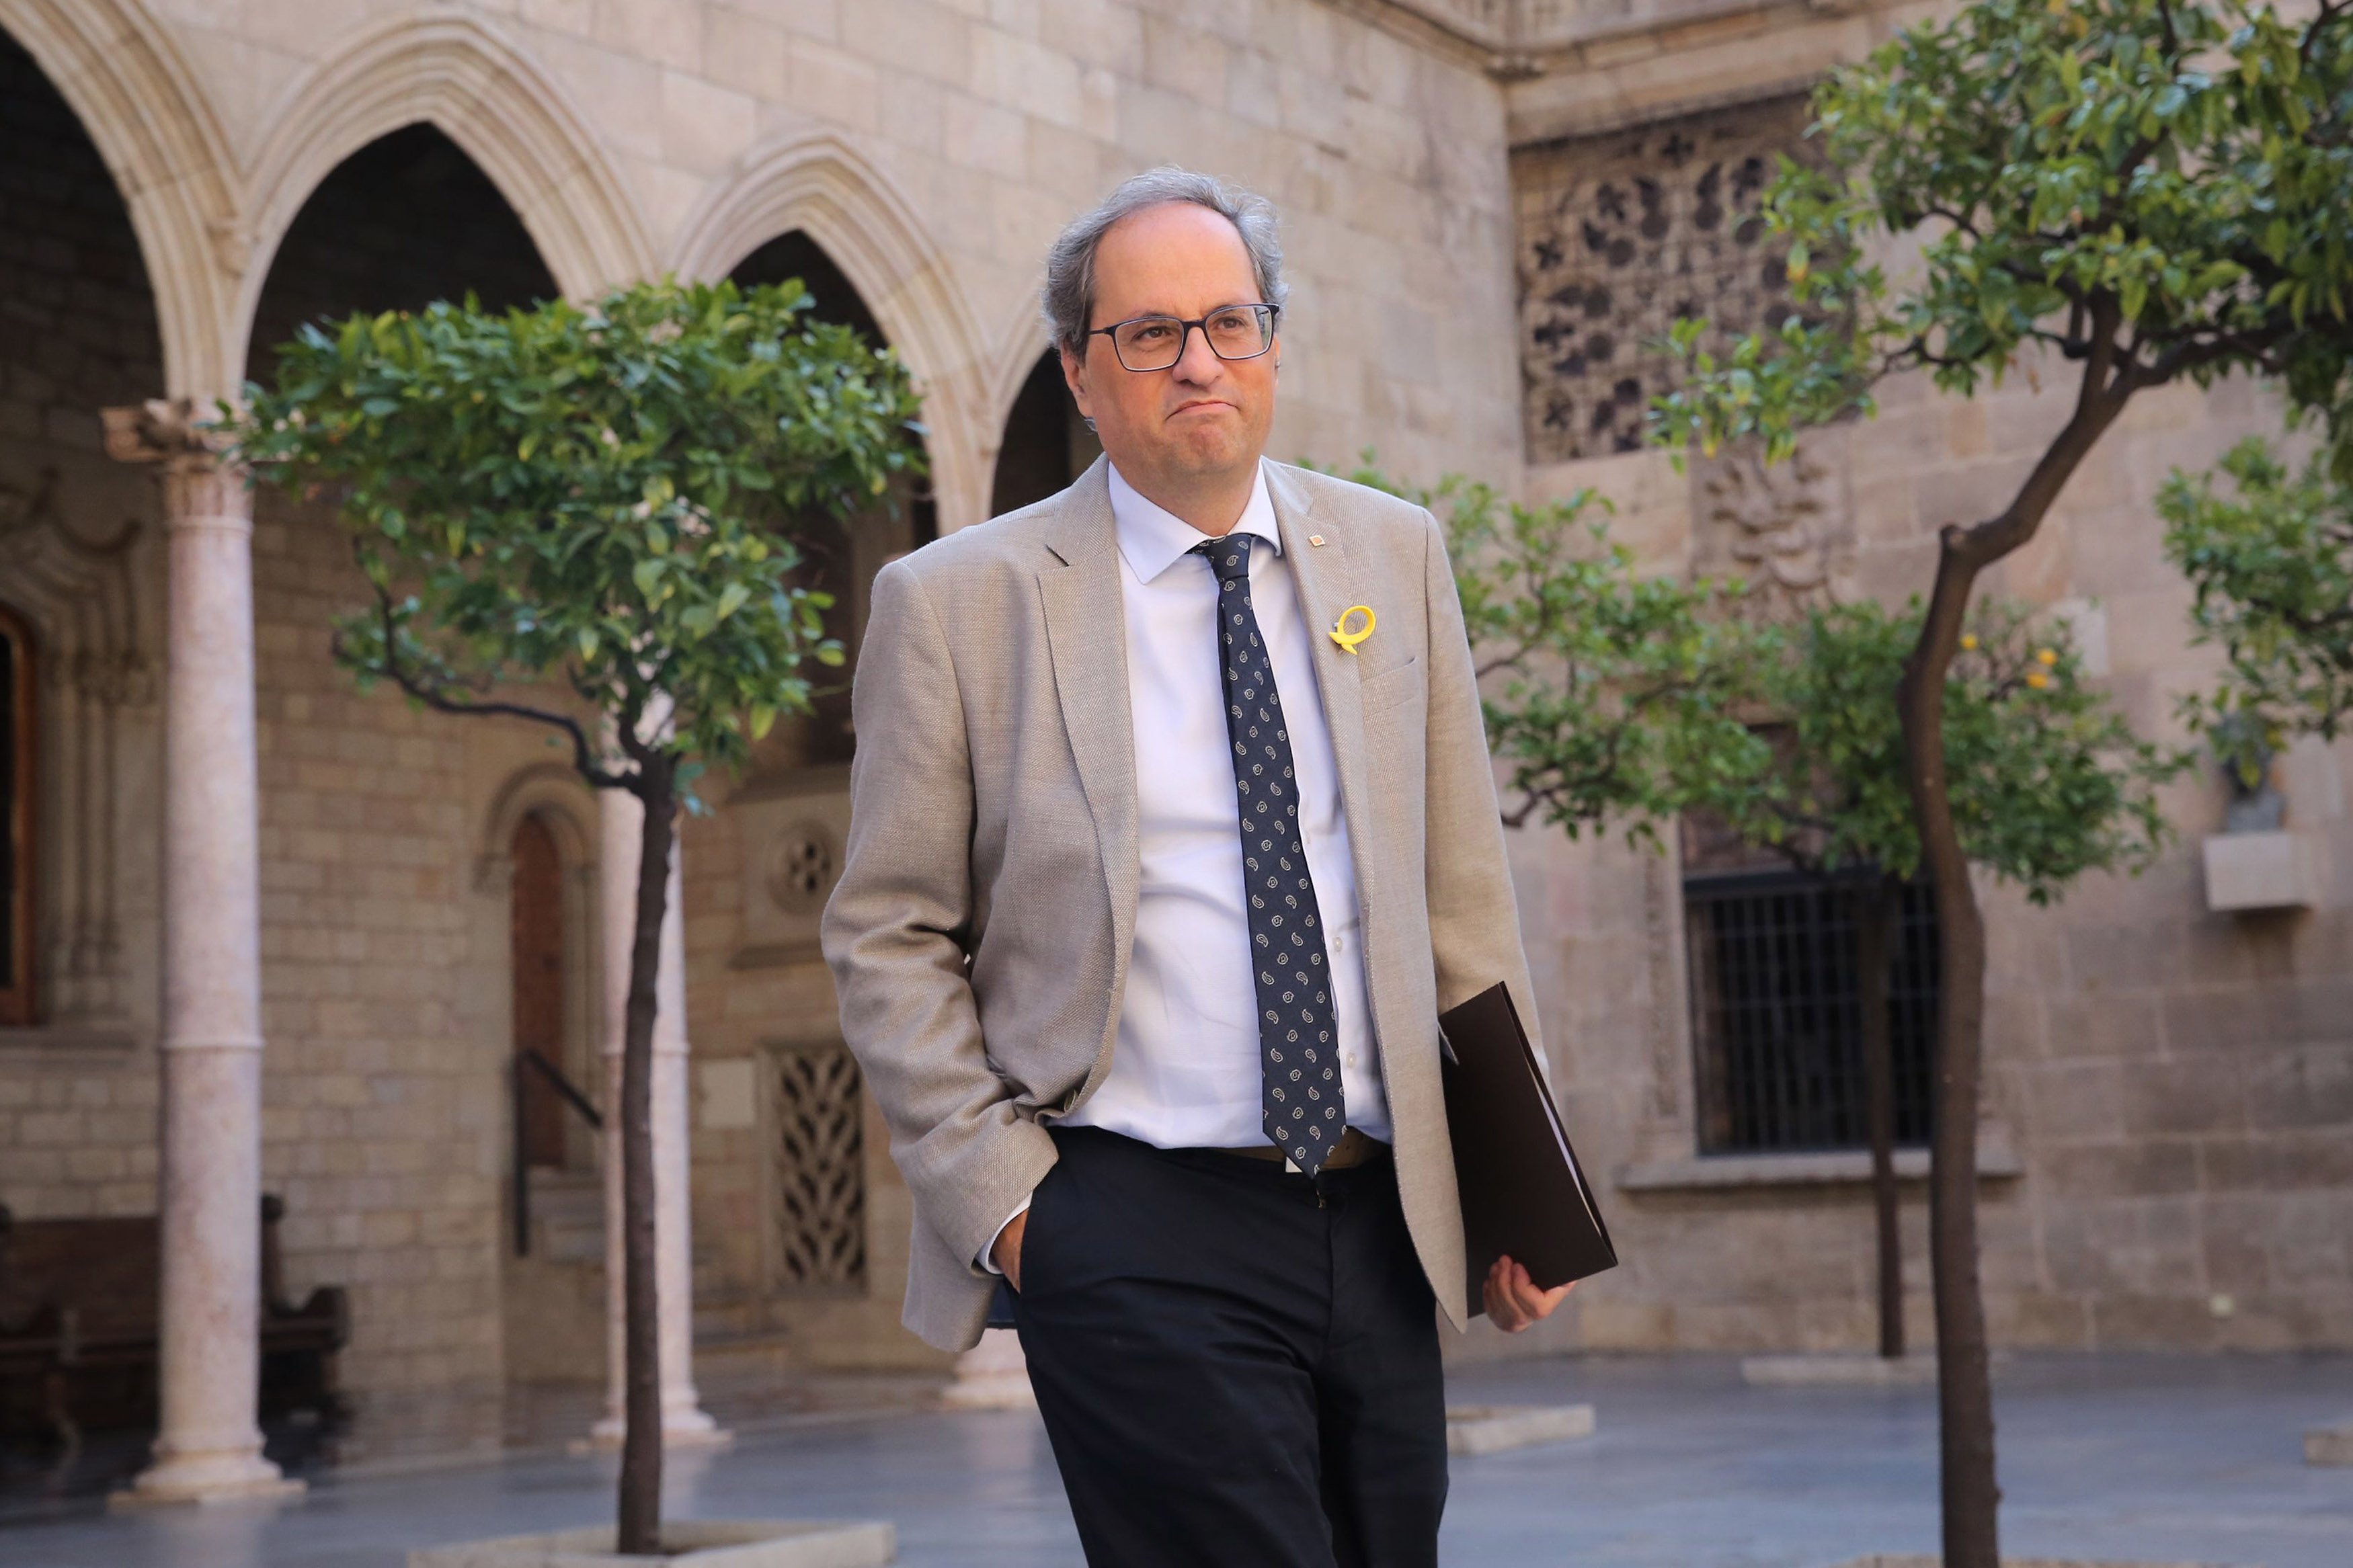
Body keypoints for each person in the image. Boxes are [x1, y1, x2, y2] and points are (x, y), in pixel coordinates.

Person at [821, 167, 1568, 1568]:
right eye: (1151, 333)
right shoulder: (958, 604)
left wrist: (1515, 1179)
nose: (1199, 362)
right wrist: (1014, 1210)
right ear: (1079, 371)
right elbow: (887, 931)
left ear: (1270, 341)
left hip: (1379, 1215)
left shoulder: (1391, 556)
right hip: (1131, 1225)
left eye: (1230, 322)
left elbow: (1459, 898)